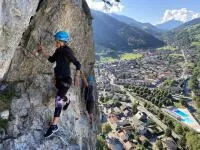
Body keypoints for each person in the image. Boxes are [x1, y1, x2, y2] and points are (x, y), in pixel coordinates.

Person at [38, 31, 81, 138]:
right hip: (58, 80)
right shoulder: (58, 50)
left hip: (66, 80)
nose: (55, 42)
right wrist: (43, 51)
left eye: (56, 40)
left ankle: (54, 126)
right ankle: (67, 100)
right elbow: (52, 59)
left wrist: (77, 76)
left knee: (58, 99)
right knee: (61, 95)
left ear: (60, 41)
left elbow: (77, 63)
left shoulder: (67, 51)